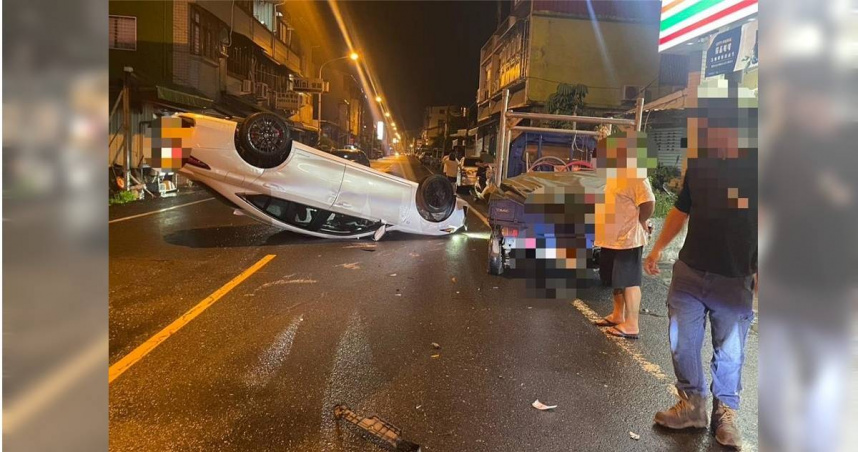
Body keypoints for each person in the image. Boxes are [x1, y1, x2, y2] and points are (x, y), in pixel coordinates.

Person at [644, 79, 757, 449]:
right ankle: (692, 405)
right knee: (681, 342)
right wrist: (659, 247)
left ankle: (725, 411)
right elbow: (681, 208)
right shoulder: (701, 163)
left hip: (735, 275)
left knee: (730, 351)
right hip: (690, 272)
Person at [593, 132, 655, 340]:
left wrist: (641, 222)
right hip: (612, 239)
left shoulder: (636, 175)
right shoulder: (615, 174)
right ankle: (618, 315)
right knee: (616, 279)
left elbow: (648, 202)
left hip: (628, 239)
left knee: (629, 281)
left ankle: (632, 324)